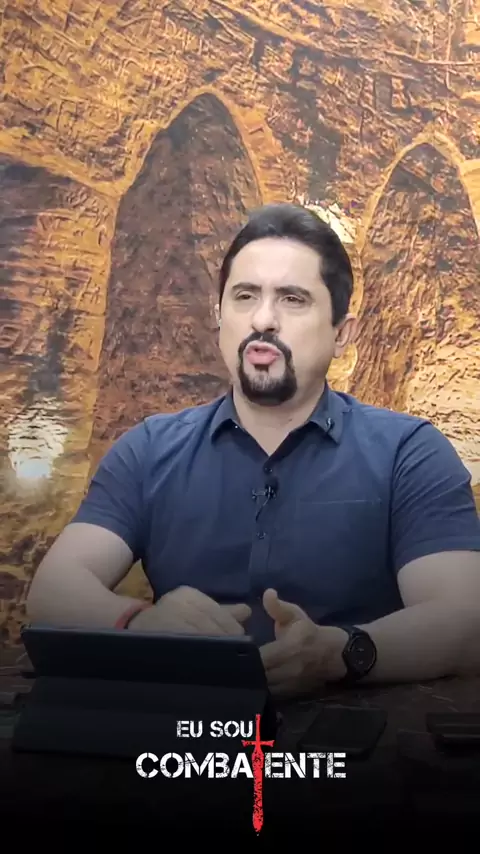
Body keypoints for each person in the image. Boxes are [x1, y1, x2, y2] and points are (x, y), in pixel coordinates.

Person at [27, 203, 480, 698]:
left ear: (342, 333)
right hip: (185, 731)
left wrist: (341, 654)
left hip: (360, 734)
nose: (263, 320)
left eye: (293, 299)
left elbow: (465, 620)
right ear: (219, 316)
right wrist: (139, 623)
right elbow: (53, 591)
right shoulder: (150, 449)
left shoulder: (408, 452)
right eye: (245, 296)